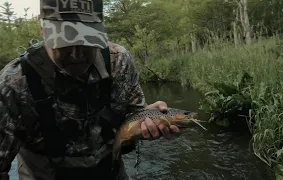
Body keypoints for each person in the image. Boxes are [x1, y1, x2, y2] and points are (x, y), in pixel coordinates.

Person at [0, 0, 180, 179]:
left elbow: (131, 115)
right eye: (64, 42)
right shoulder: (13, 84)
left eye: (87, 41)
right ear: (42, 28)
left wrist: (146, 121)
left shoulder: (119, 62)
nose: (77, 55)